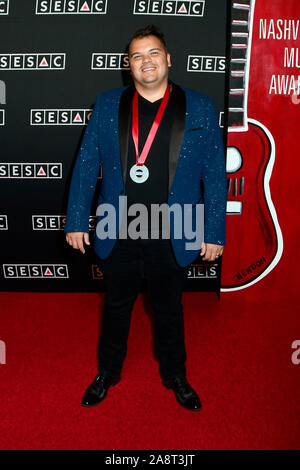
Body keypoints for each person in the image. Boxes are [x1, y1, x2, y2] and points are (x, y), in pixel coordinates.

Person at [64, 25, 227, 411]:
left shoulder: (200, 106)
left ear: (168, 59)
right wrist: (75, 220)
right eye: (137, 56)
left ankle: (176, 373)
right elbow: (87, 164)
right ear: (128, 65)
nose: (146, 61)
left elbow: (215, 176)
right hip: (117, 224)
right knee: (117, 305)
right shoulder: (106, 104)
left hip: (176, 226)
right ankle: (108, 371)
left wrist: (214, 231)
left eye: (153, 53)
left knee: (169, 307)